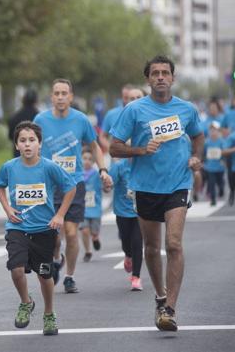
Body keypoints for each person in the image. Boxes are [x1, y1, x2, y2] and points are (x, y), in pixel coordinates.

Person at [110, 55, 203, 332]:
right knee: (151, 248)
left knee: (173, 244)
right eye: (155, 73)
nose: (160, 77)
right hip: (145, 186)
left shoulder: (186, 109)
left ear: (172, 78)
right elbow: (114, 147)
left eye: (165, 73)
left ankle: (170, 309)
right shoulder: (135, 110)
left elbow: (198, 135)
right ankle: (160, 297)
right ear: (148, 79)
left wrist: (196, 157)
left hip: (178, 184)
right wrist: (140, 150)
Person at [0, 121, 76, 336]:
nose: (27, 144)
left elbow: (71, 188)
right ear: (17, 145)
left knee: (44, 275)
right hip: (18, 226)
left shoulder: (49, 167)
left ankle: (49, 313)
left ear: (40, 144)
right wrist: (7, 208)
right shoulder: (9, 167)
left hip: (44, 229)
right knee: (16, 269)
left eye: (32, 140)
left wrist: (59, 215)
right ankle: (25, 302)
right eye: (23, 140)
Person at [33, 78, 112, 293]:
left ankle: (69, 276)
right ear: (51, 97)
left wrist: (103, 170)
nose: (60, 97)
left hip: (74, 183)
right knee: (53, 236)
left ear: (70, 96)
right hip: (49, 185)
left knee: (70, 232)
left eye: (64, 93)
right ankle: (57, 257)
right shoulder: (40, 119)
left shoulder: (81, 120)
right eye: (56, 93)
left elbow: (95, 147)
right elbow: (31, 146)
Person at [109, 156, 144, 291]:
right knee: (125, 240)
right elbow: (109, 185)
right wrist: (107, 184)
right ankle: (128, 255)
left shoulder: (143, 165)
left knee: (137, 242)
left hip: (139, 211)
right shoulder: (119, 167)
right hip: (122, 211)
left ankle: (136, 277)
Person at [79, 149, 102, 262]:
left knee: (94, 232)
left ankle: (95, 238)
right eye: (84, 158)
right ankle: (88, 251)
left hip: (95, 208)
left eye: (90, 159)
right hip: (82, 208)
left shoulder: (97, 175)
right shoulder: (78, 174)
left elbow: (105, 186)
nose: (87, 161)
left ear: (93, 162)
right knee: (84, 230)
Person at [7, 88, 39, 157]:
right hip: (36, 156)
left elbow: (10, 136)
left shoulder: (15, 117)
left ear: (23, 100)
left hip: (19, 155)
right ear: (36, 101)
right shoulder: (40, 118)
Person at [203, 122, 226, 206]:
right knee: (211, 183)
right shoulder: (207, 142)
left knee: (220, 182)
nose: (213, 132)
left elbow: (224, 152)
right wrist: (204, 162)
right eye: (211, 130)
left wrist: (222, 157)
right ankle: (213, 199)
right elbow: (204, 153)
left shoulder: (221, 141)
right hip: (210, 167)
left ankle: (221, 189)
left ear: (218, 131)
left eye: (215, 130)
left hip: (220, 167)